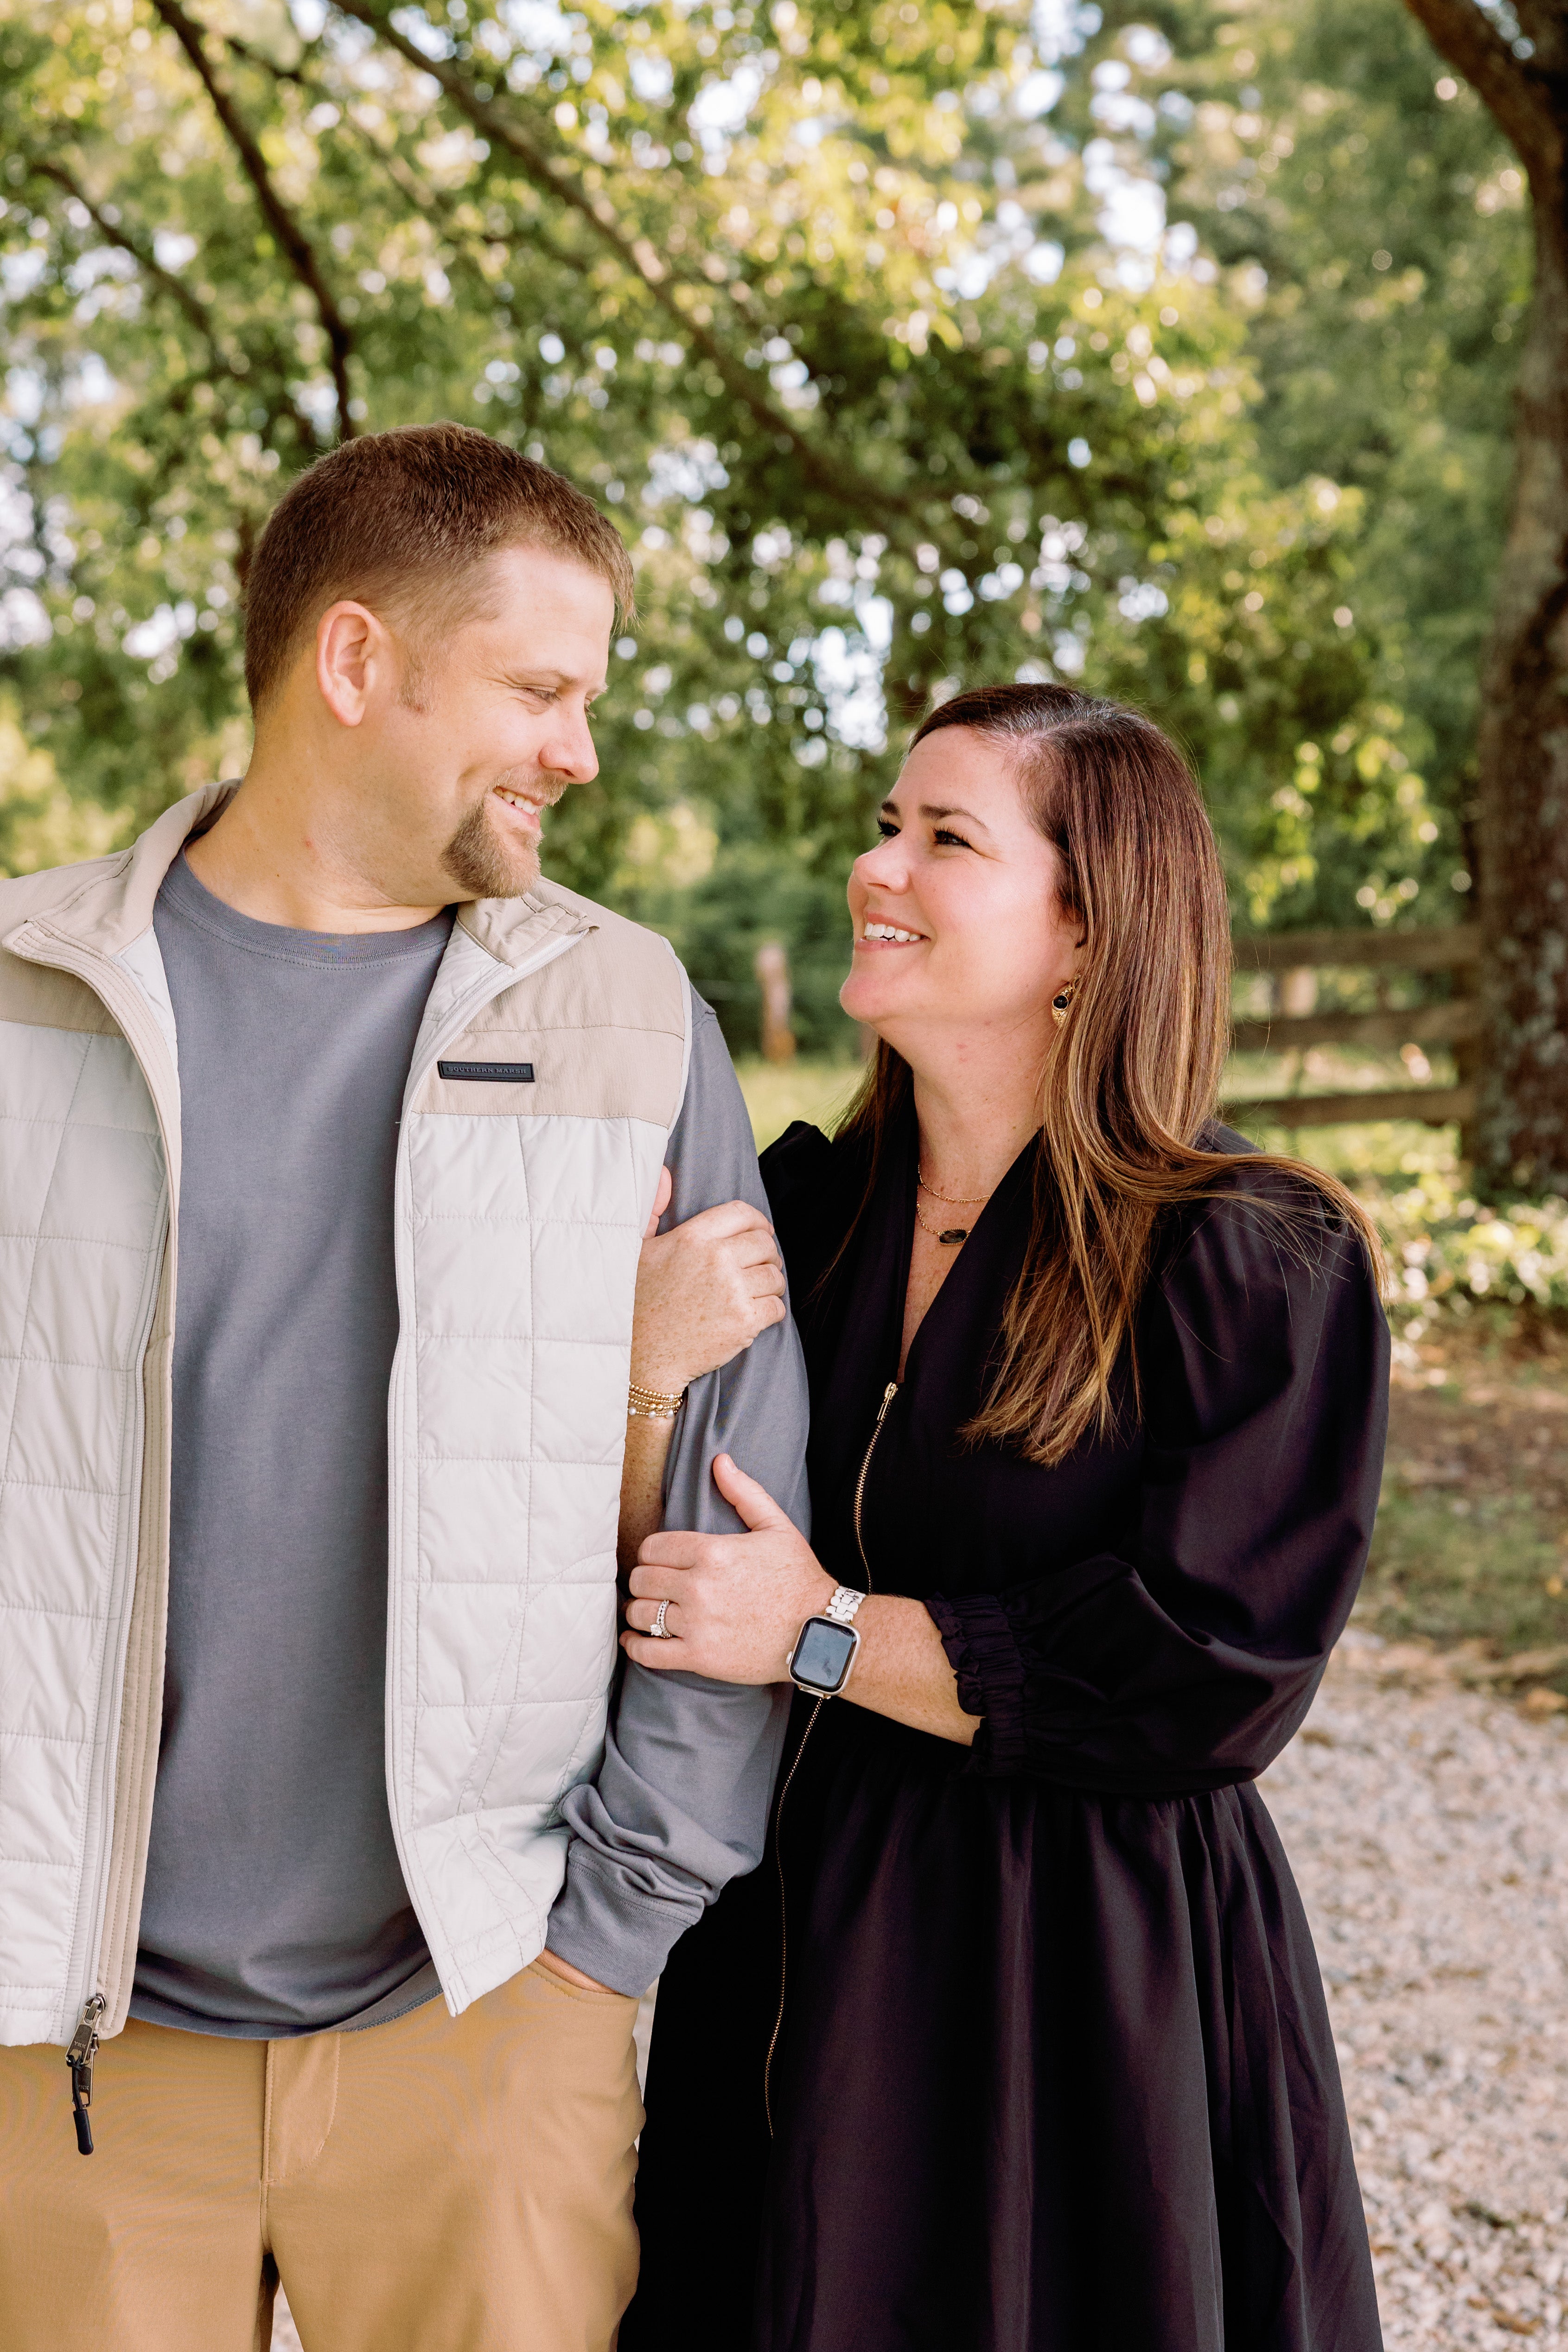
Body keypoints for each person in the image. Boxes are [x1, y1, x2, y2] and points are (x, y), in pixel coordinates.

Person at [0, 422, 808, 2352]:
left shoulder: (628, 1020)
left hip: (482, 2014)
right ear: (356, 664)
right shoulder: (22, 1004)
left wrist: (596, 1953)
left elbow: (734, 1522)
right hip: (75, 2051)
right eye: (543, 689)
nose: (580, 752)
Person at [620, 683, 1390, 2352]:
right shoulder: (804, 1209)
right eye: (886, 821)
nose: (872, 865)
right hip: (787, 1933)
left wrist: (822, 1631)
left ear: (1082, 935)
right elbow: (646, 1547)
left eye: (944, 836)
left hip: (1083, 1968)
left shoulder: (1257, 1255)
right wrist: (640, 1363)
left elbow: (1215, 1667)